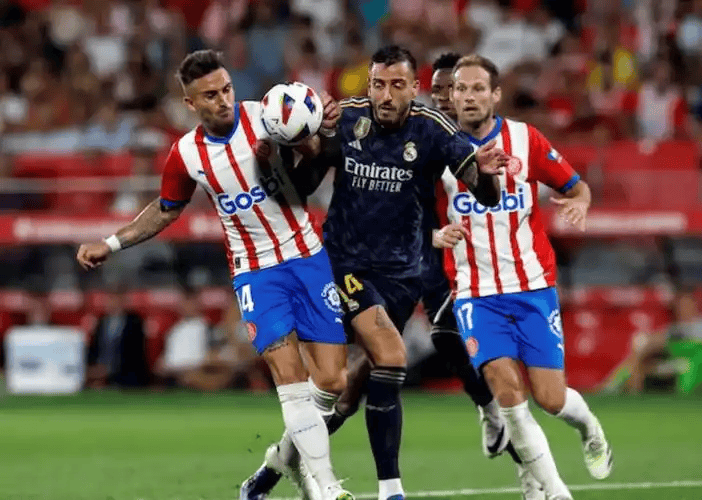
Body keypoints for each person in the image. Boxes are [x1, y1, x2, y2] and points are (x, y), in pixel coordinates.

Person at [76, 49, 354, 500]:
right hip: (255, 272)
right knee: (291, 381)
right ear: (190, 103)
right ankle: (326, 487)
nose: (223, 100)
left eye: (226, 89)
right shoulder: (186, 154)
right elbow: (166, 209)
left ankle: (280, 460)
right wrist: (110, 243)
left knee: (333, 382)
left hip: (307, 255)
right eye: (210, 95)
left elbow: (317, 155)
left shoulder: (269, 116)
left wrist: (321, 126)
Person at [242, 45, 508, 500]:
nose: (386, 95)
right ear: (368, 85)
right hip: (345, 266)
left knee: (345, 397)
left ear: (414, 87)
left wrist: (486, 174)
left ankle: (269, 471)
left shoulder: (432, 128)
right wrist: (288, 152)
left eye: (397, 85)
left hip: (403, 278)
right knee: (391, 355)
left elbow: (487, 195)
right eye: (378, 85)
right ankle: (391, 491)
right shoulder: (345, 120)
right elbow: (301, 189)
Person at [434, 54, 612, 500]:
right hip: (475, 293)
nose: (469, 96)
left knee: (551, 400)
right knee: (509, 396)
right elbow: (412, 215)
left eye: (478, 88)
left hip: (532, 286)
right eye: (461, 88)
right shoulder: (437, 146)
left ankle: (589, 427)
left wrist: (580, 203)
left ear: (495, 95)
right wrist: (435, 235)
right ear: (451, 95)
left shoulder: (524, 139)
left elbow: (577, 186)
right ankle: (555, 492)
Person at [601, 287, 702, 394]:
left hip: (690, 362)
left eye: (687, 305)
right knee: (639, 348)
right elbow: (658, 340)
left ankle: (619, 386)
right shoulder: (673, 328)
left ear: (694, 305)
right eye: (681, 306)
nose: (684, 309)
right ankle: (610, 388)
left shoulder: (698, 325)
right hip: (669, 360)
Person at [86, 284, 149, 388]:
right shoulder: (102, 321)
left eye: (116, 298)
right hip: (100, 371)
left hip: (126, 375)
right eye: (110, 298)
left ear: (123, 301)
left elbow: (135, 353)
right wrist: (93, 368)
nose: (112, 302)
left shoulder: (134, 321)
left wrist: (109, 370)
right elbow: (95, 348)